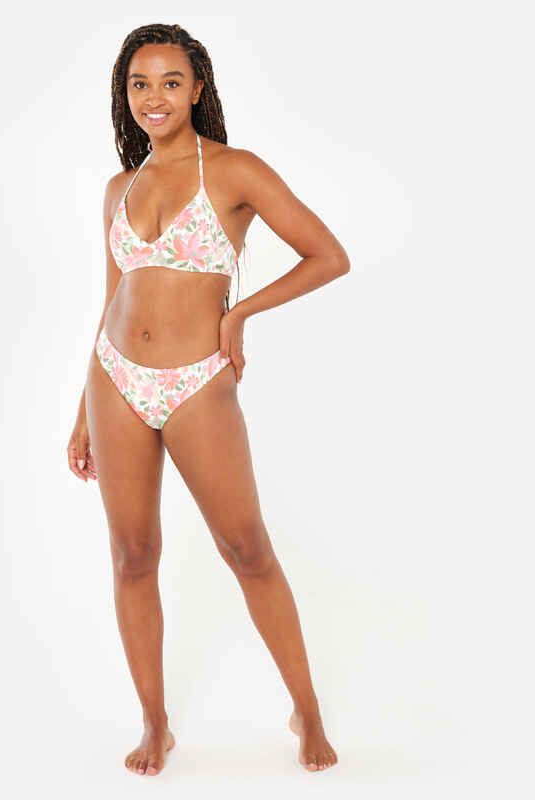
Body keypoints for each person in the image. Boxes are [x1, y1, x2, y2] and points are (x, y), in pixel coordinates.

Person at [68, 23, 350, 776]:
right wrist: (81, 410)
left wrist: (239, 313)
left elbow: (329, 256)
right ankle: (155, 722)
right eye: (139, 84)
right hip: (114, 378)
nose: (154, 97)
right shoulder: (119, 189)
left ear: (197, 88)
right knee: (133, 555)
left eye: (170, 81)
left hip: (198, 381)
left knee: (246, 549)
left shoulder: (234, 171)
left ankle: (307, 710)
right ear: (124, 95)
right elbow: (112, 297)